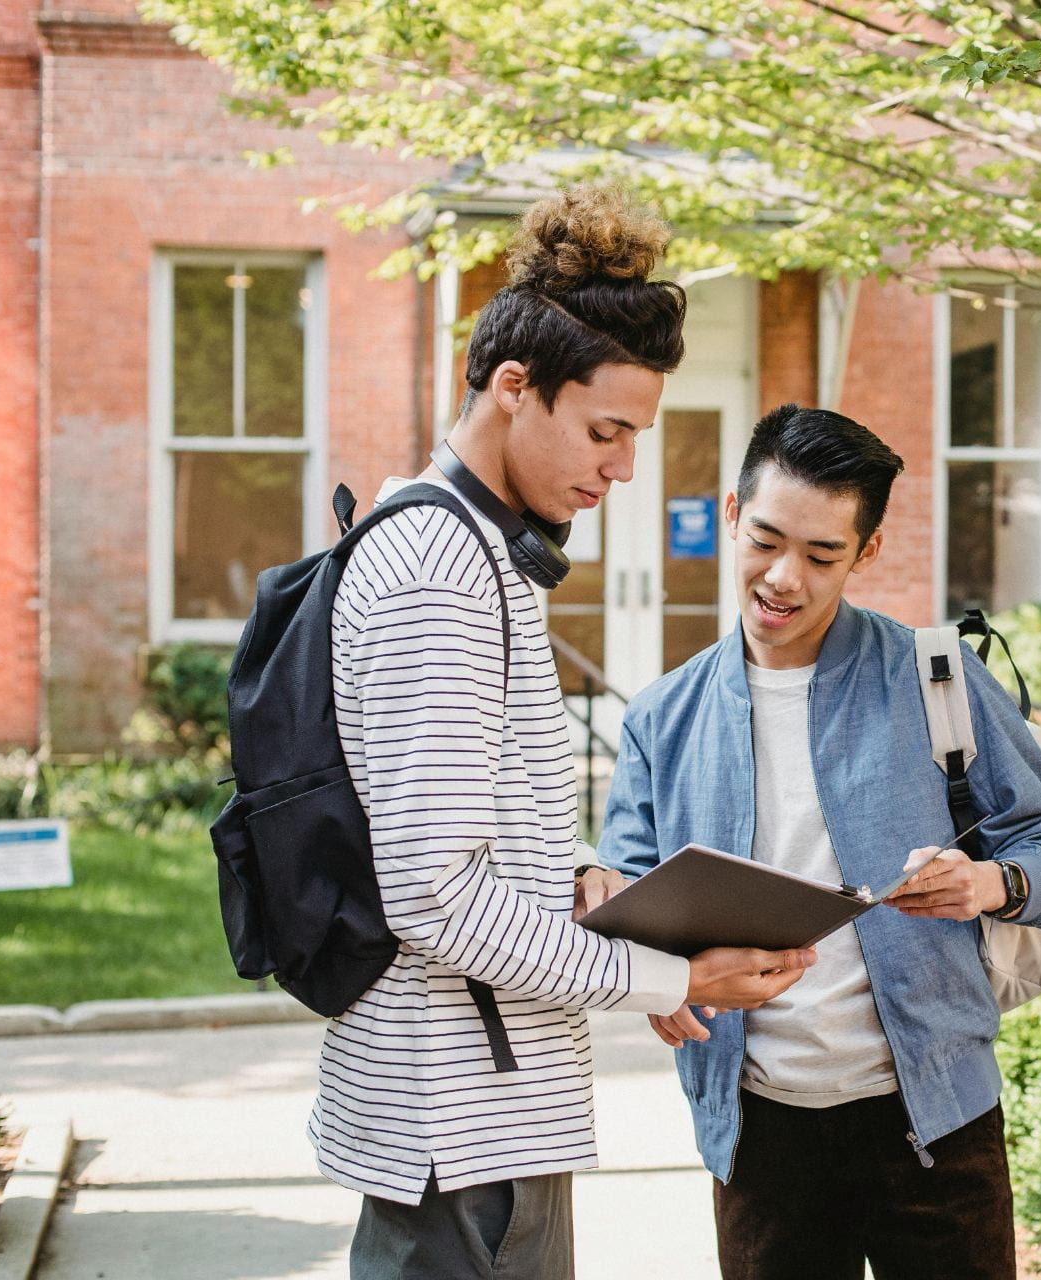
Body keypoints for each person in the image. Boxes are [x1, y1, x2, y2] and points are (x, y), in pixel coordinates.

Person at [318, 188, 816, 1280]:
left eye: (636, 434)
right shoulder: (440, 570)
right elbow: (436, 891)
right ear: (512, 387)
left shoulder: (474, 552)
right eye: (606, 430)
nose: (626, 467)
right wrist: (668, 978)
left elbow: (472, 832)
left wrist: (582, 874)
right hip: (459, 1125)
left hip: (485, 1109)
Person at [588, 403, 1041, 1279]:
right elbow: (623, 898)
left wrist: (987, 883)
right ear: (734, 515)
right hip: (759, 1135)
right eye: (768, 540)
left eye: (822, 556)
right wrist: (654, 981)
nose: (784, 578)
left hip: (935, 1122)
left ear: (867, 553)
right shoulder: (662, 718)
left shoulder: (936, 677)